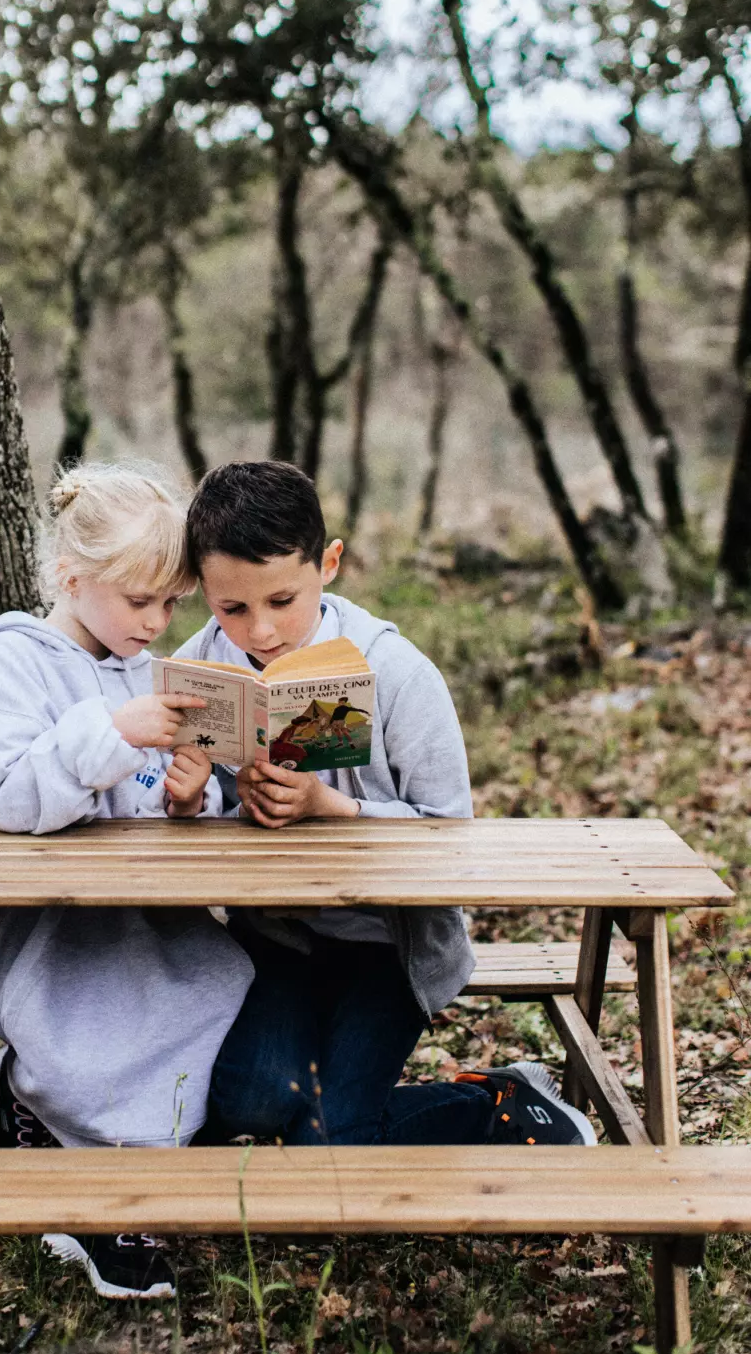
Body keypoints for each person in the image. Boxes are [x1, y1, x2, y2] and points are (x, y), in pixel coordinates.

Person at [177, 460, 596, 1150]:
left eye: (283, 601)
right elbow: (192, 830)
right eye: (233, 608)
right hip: (278, 933)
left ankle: (501, 1100)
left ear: (330, 564)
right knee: (247, 1103)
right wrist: (193, 801)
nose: (261, 632)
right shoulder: (200, 668)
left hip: (388, 943)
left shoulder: (396, 672)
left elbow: (449, 836)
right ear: (203, 588)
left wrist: (328, 808)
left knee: (330, 1141)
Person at [0, 462, 255, 1300]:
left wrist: (194, 794)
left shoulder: (147, 670)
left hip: (140, 913)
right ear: (71, 576)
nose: (156, 621)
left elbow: (157, 804)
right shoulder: (10, 660)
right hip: (40, 931)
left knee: (224, 985)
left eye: (170, 603)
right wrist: (111, 732)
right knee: (102, 1027)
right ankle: (72, 1165)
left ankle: (129, 1159)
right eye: (138, 601)